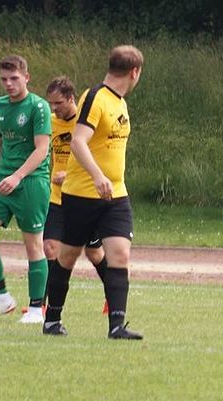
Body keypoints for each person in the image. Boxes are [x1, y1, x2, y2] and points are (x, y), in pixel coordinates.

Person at [43, 45, 144, 339]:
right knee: (68, 256)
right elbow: (78, 141)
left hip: (116, 195)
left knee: (119, 254)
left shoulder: (120, 102)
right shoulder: (95, 97)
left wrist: (109, 180)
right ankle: (52, 320)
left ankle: (117, 326)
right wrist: (98, 176)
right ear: (134, 72)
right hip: (82, 195)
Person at [0, 55, 51, 324]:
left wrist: (18, 176)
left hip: (31, 182)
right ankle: (1, 297)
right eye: (4, 79)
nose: (8, 84)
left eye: (14, 78)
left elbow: (42, 149)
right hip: (3, 181)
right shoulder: (0, 105)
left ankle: (36, 309)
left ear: (26, 77)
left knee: (33, 244)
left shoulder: (38, 107)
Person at [43, 76, 108, 308]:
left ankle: (113, 295)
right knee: (50, 247)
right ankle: (43, 305)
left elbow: (100, 159)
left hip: (82, 197)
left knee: (94, 253)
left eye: (58, 103)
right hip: (57, 198)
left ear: (71, 98)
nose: (54, 108)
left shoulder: (85, 124)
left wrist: (69, 175)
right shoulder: (50, 123)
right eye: (51, 103)